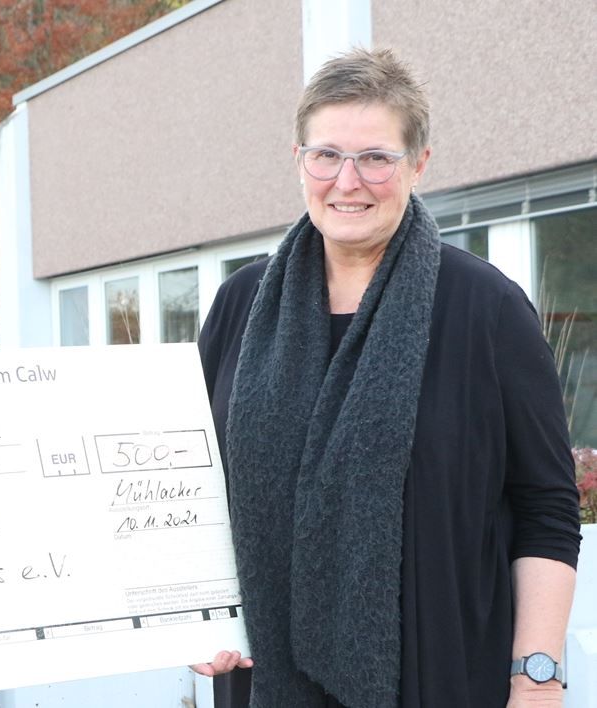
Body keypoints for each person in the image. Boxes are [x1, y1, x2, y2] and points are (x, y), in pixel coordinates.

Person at [192, 48, 581, 707]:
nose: (348, 182)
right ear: (299, 161)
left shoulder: (485, 309)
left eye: (376, 157)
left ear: (418, 164)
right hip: (268, 678)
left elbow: (546, 506)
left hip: (444, 678)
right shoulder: (241, 304)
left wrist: (536, 677)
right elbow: (195, 493)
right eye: (327, 156)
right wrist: (200, 618)